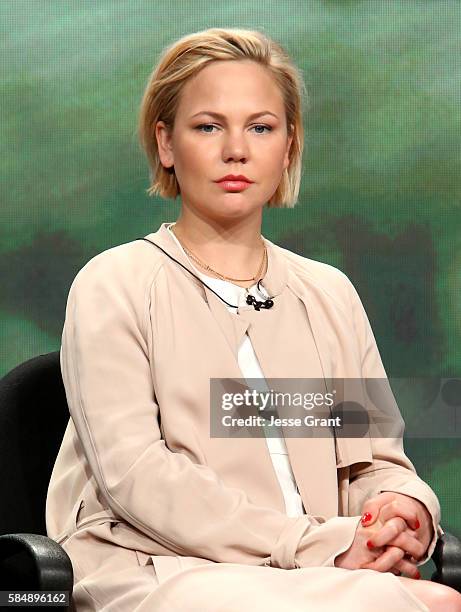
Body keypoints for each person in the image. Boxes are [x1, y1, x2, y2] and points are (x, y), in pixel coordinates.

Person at [45, 28, 461, 611]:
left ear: (288, 147)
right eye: (208, 126)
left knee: (440, 600)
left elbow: (375, 465)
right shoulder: (114, 284)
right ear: (166, 143)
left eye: (261, 127)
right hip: (158, 568)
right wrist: (320, 545)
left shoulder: (329, 295)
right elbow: (138, 477)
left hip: (315, 567)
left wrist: (402, 509)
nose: (236, 149)